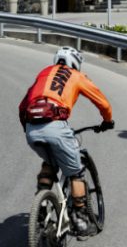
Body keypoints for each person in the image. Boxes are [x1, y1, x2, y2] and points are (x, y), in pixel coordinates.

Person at [19, 47, 114, 236]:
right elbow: (102, 102)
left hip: (32, 128)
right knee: (76, 173)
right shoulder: (76, 75)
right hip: (56, 127)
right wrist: (107, 120)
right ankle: (79, 221)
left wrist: (28, 129)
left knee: (50, 164)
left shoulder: (44, 72)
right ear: (76, 64)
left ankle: (42, 207)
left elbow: (22, 105)